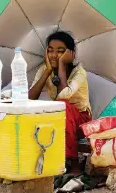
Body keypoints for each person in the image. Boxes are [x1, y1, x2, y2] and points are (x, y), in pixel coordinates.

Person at [29, 31, 92, 175]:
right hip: (61, 117)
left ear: (71, 54)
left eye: (60, 51)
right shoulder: (45, 70)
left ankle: (74, 164)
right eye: (50, 50)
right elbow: (30, 98)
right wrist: (47, 72)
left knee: (63, 105)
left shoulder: (79, 72)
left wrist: (62, 65)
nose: (53, 55)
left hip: (81, 121)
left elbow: (65, 95)